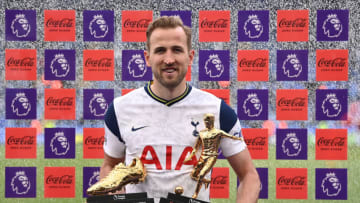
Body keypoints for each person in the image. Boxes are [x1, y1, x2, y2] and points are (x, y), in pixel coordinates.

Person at [101, 16, 260, 202]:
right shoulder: (120, 109)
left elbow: (250, 176)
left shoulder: (217, 110)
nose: (169, 59)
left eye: (177, 50)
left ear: (190, 56)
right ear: (147, 58)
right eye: (160, 51)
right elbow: (110, 167)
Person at [184, 113, 245, 199]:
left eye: (208, 121)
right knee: (193, 175)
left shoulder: (218, 132)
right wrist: (189, 157)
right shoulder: (201, 133)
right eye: (205, 121)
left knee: (201, 175)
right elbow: (196, 148)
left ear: (212, 121)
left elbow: (230, 136)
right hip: (203, 156)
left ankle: (195, 195)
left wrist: (239, 138)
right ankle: (206, 181)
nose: (206, 123)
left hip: (212, 156)